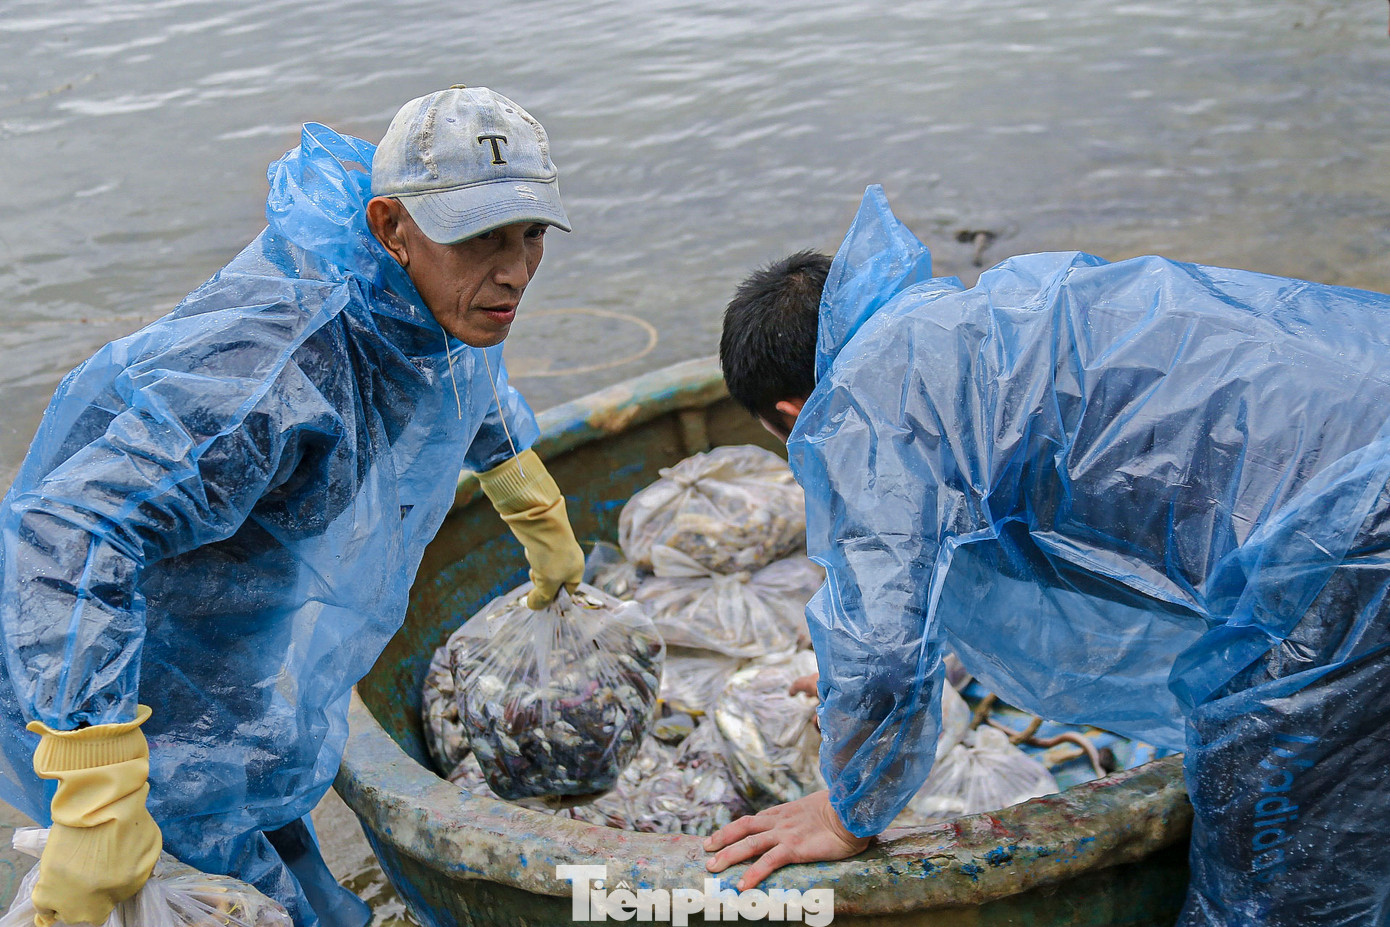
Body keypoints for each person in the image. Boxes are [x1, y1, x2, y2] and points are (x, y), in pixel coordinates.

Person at [707, 184, 1390, 926]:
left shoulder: (867, 409)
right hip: (1365, 379)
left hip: (1349, 528)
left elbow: (879, 647)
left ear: (791, 415)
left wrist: (847, 813)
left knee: (1272, 836)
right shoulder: (987, 317)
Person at [0, 86, 587, 926]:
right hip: (117, 672)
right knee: (216, 882)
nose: (516, 271)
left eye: (532, 234)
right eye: (484, 237)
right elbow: (72, 534)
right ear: (393, 225)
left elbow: (465, 383)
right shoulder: (275, 368)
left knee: (275, 841)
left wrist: (532, 505)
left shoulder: (430, 303)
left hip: (233, 657)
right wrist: (95, 779)